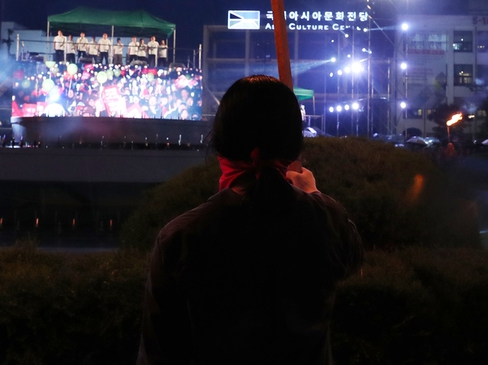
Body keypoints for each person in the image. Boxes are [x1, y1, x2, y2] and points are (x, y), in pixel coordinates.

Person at [137, 75, 362, 365]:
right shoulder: (325, 220)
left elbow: (158, 352)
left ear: (220, 142)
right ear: (294, 147)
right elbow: (352, 257)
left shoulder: (182, 237)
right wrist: (314, 194)